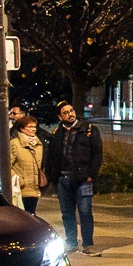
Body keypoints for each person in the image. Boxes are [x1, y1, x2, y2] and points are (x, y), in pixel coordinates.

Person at [46, 100, 103, 255]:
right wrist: (53, 177)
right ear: (60, 116)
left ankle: (88, 244)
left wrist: (91, 175)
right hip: (63, 178)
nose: (70, 114)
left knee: (85, 211)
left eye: (71, 110)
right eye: (65, 112)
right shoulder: (57, 133)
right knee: (67, 213)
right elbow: (51, 156)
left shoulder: (88, 129)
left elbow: (97, 154)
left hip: (83, 179)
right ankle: (71, 242)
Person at [10, 115, 46, 215]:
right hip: (20, 187)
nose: (33, 129)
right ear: (22, 128)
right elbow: (7, 165)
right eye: (29, 127)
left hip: (34, 187)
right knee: (20, 216)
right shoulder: (15, 143)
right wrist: (17, 178)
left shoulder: (39, 144)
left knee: (31, 214)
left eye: (34, 126)